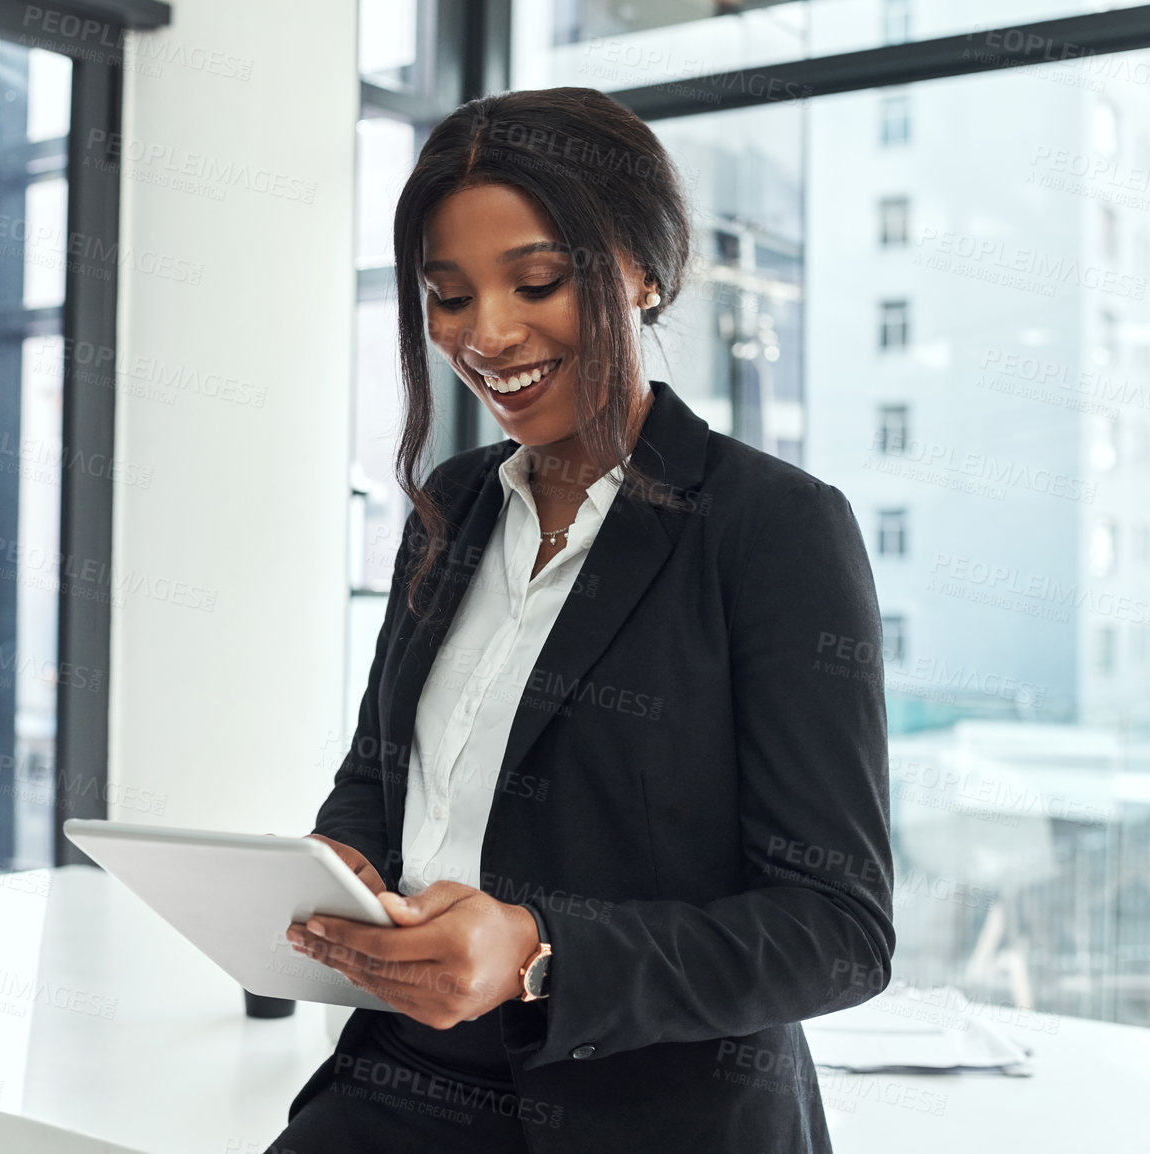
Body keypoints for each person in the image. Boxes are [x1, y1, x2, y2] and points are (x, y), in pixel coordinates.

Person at [271, 86, 894, 1152]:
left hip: (652, 1113)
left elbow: (837, 931)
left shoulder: (772, 528)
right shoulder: (450, 510)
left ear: (644, 271)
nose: (488, 333)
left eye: (539, 280)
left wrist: (537, 951)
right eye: (448, 295)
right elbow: (380, 780)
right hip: (400, 1085)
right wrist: (344, 867)